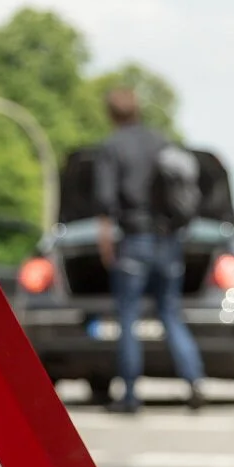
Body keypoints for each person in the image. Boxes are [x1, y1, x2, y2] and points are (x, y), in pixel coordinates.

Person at [94, 87, 206, 414]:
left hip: (134, 241)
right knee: (170, 314)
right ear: (138, 110)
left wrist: (106, 242)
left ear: (111, 114)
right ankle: (194, 381)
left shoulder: (111, 147)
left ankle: (129, 394)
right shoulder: (162, 142)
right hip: (168, 240)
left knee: (128, 316)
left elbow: (105, 201)